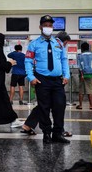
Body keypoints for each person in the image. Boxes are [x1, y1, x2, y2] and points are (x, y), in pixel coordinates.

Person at [25, 15, 70, 144]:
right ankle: (46, 134)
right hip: (41, 80)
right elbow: (28, 61)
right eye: (46, 25)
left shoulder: (59, 44)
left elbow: (64, 60)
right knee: (44, 108)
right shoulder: (34, 44)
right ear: (40, 27)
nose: (48, 28)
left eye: (50, 25)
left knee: (59, 107)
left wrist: (66, 76)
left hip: (57, 81)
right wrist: (31, 77)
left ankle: (58, 134)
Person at [76, 42, 92, 110]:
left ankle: (80, 105)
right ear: (88, 48)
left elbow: (79, 66)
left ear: (82, 49)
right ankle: (91, 105)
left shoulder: (80, 56)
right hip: (91, 75)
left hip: (83, 75)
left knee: (81, 91)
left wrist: (82, 75)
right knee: (90, 90)